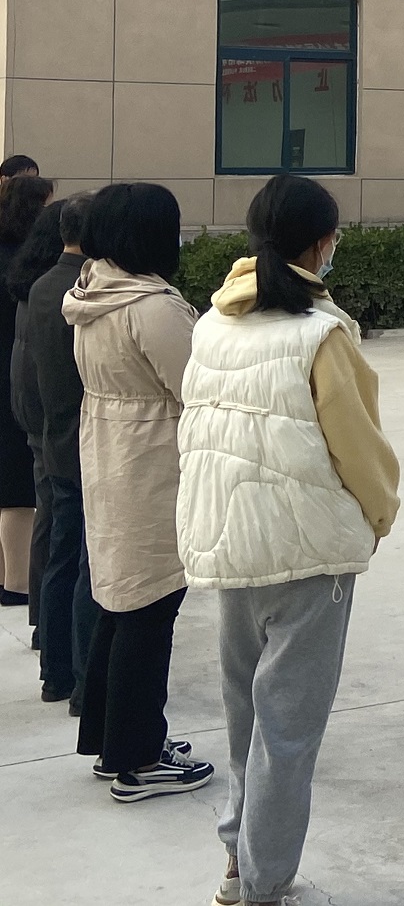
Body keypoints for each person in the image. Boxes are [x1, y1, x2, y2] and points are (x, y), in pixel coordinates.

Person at [180, 174, 400, 906]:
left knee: (245, 715)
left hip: (229, 542)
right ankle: (265, 880)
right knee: (288, 730)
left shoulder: (211, 323)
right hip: (309, 554)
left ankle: (238, 861)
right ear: (323, 241)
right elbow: (359, 447)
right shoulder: (321, 333)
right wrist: (379, 516)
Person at [64, 182, 214, 801]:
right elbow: (197, 385)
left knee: (120, 602)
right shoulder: (152, 307)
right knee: (151, 610)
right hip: (150, 463)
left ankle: (113, 741)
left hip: (110, 453)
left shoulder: (93, 291)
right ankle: (138, 758)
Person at [20, 195, 101, 711]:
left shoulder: (42, 285)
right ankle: (81, 676)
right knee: (87, 565)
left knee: (59, 555)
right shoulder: (87, 292)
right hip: (86, 439)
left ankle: (55, 672)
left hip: (51, 435)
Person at [0, 174, 52, 610]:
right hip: (14, 375)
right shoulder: (27, 263)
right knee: (18, 483)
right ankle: (16, 582)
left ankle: (6, 574)